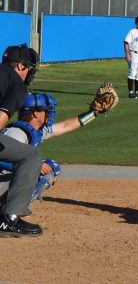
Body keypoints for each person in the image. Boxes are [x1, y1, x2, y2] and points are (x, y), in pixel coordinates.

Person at [0, 91, 111, 207]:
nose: (50, 113)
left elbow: (65, 126)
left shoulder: (36, 131)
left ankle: (10, 210)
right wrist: (33, 167)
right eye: (47, 110)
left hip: (6, 179)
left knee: (50, 167)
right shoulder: (16, 134)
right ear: (36, 113)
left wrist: (93, 113)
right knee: (38, 169)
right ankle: (9, 214)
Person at [0, 44, 43, 237]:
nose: (29, 72)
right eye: (29, 67)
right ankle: (10, 219)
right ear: (20, 66)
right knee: (31, 156)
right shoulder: (17, 84)